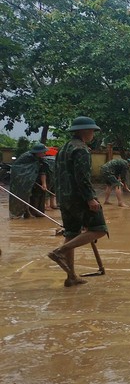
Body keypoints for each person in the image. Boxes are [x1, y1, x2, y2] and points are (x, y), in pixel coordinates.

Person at [47, 116, 108, 287]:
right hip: (79, 197)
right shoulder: (81, 149)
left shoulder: (64, 148)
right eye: (91, 131)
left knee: (71, 233)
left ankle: (71, 276)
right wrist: (90, 198)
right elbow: (82, 177)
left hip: (64, 197)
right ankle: (60, 252)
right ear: (83, 131)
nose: (93, 135)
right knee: (99, 229)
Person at [9, 143, 50, 218]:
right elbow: (18, 169)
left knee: (38, 195)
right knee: (25, 195)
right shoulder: (26, 157)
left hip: (36, 180)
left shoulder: (42, 160)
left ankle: (36, 211)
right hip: (23, 181)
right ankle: (26, 212)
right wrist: (28, 178)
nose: (45, 153)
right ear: (38, 152)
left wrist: (44, 184)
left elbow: (42, 172)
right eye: (43, 152)